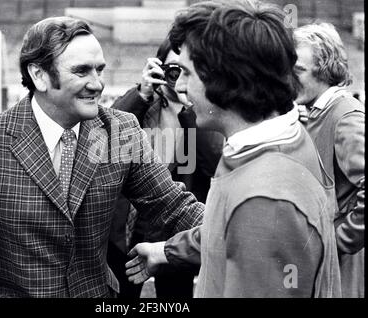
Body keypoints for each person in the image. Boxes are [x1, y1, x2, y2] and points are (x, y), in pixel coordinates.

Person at [0, 16, 204, 298]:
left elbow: (174, 208)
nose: (97, 84)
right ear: (39, 75)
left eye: (100, 70)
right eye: (82, 71)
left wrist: (233, 220)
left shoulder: (121, 131)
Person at [125, 0, 342, 297]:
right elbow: (231, 231)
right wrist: (168, 250)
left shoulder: (266, 200)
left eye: (187, 72)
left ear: (225, 78)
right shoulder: (272, 143)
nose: (181, 86)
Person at [108, 38, 223, 298]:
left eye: (188, 70)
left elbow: (214, 161)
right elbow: (108, 136)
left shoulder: (206, 111)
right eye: (174, 68)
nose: (179, 77)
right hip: (130, 226)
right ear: (159, 67)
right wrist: (142, 93)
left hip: (176, 230)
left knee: (176, 299)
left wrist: (191, 105)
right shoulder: (142, 102)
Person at [293, 23, 365, 298]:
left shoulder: (345, 116)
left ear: (325, 69)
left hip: (341, 272)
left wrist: (337, 241)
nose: (288, 79)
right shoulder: (313, 112)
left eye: (298, 70)